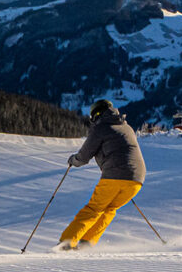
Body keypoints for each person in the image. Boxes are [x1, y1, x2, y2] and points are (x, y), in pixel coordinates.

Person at [55, 98, 146, 250]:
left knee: (93, 209)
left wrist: (73, 160)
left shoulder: (101, 128)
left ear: (96, 115)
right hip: (137, 179)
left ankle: (67, 243)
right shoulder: (127, 128)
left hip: (115, 177)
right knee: (109, 209)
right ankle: (86, 243)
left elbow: (84, 156)